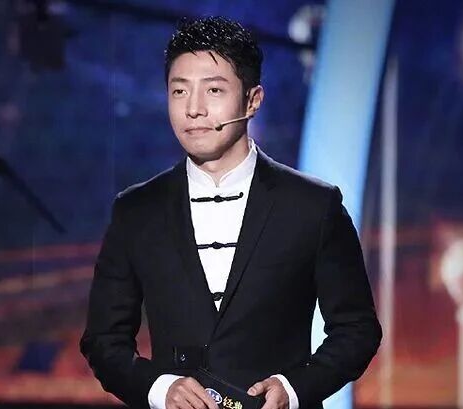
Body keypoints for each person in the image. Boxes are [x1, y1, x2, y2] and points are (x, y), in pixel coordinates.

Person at [80, 16, 381, 409]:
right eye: (179, 91)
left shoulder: (313, 205)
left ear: (253, 100)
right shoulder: (137, 211)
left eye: (214, 90)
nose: (194, 109)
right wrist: (159, 388)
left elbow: (357, 329)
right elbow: (103, 341)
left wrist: (293, 388)